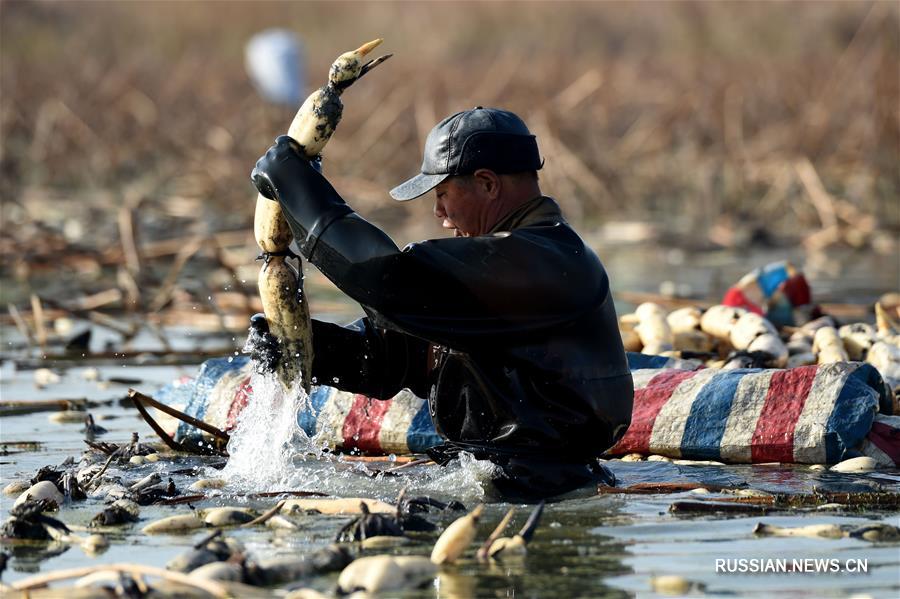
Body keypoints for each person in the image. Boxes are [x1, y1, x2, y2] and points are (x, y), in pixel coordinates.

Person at [250, 107, 633, 500]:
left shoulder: (543, 261)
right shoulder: (511, 262)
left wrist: (295, 184)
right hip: (495, 474)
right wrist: (311, 348)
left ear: (487, 184)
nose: (440, 215)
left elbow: (387, 279)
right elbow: (402, 356)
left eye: (443, 195)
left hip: (545, 490)